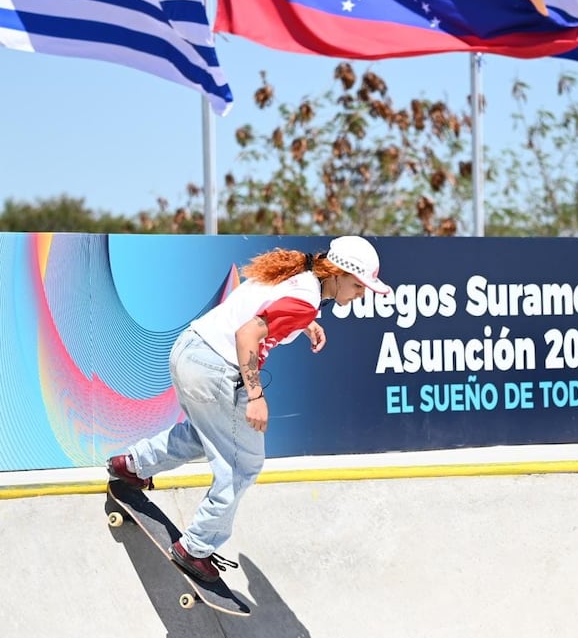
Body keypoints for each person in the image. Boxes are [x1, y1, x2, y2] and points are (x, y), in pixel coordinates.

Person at [107, 235, 390, 583]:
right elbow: (246, 336)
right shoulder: (304, 299)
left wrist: (305, 325)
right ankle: (196, 548)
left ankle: (133, 464)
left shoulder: (299, 270)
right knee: (243, 464)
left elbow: (260, 307)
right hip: (216, 368)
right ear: (337, 273)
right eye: (359, 286)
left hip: (189, 351)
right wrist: (256, 396)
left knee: (210, 433)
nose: (360, 295)